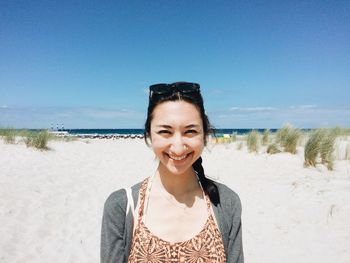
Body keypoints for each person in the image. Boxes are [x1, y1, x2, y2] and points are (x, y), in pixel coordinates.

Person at [101, 82, 244, 263]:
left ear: (204, 134)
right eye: (165, 132)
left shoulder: (226, 203)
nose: (177, 148)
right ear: (149, 135)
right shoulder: (122, 207)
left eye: (190, 131)